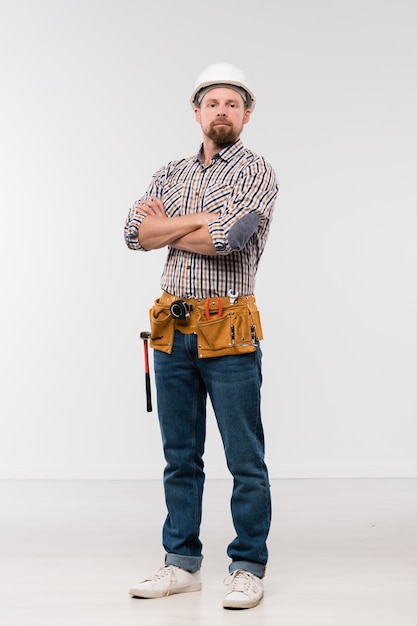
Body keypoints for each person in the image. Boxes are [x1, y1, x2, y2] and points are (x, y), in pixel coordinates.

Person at [124, 62, 279, 610]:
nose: (221, 112)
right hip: (172, 327)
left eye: (232, 104)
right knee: (180, 455)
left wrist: (171, 226)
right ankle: (181, 564)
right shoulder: (169, 171)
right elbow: (133, 233)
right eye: (211, 103)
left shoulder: (256, 170)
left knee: (245, 457)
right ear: (196, 113)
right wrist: (197, 223)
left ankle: (247, 566)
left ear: (247, 114)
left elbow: (233, 238)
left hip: (229, 327)